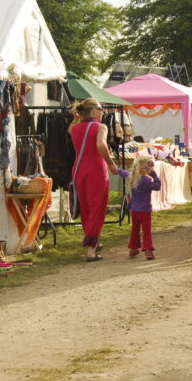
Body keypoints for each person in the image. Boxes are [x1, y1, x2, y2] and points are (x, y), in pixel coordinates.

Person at [69, 98, 118, 262]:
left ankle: (93, 241)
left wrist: (76, 117)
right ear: (94, 111)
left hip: (78, 169)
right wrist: (111, 162)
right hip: (96, 169)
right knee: (97, 207)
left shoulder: (75, 128)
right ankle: (90, 249)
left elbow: (70, 128)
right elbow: (101, 145)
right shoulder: (100, 127)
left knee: (86, 207)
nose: (103, 112)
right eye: (101, 109)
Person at [118, 154, 161, 259]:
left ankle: (133, 249)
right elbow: (157, 187)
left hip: (134, 210)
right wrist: (154, 176)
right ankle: (147, 250)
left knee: (135, 229)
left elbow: (123, 172)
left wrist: (116, 168)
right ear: (146, 168)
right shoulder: (147, 181)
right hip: (145, 210)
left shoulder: (132, 177)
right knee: (146, 231)